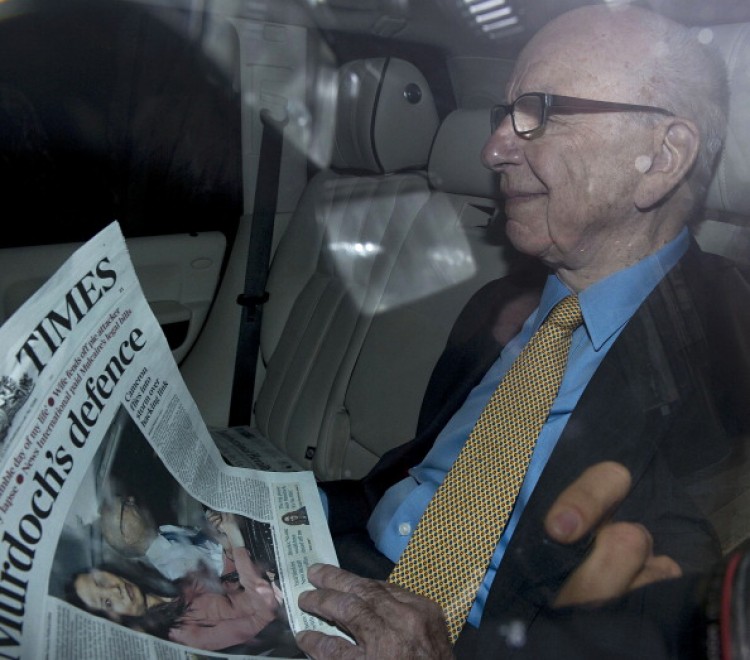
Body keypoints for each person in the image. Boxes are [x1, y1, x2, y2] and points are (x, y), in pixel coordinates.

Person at [296, 3, 750, 657]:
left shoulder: (728, 359)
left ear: (663, 155)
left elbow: (660, 630)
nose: (494, 148)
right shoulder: (494, 307)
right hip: (335, 588)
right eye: (505, 114)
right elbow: (405, 489)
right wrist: (253, 515)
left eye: (541, 110)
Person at [72, 510, 284, 652]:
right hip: (284, 599)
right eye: (106, 602)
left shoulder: (163, 587)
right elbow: (263, 614)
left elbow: (226, 586)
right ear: (115, 622)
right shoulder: (183, 636)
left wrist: (225, 544)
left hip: (268, 572)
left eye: (101, 582)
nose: (114, 590)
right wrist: (236, 543)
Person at [99, 494, 229, 581]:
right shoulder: (170, 570)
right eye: (125, 504)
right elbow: (222, 574)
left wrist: (212, 526)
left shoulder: (164, 531)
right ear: (127, 536)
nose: (131, 498)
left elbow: (206, 545)